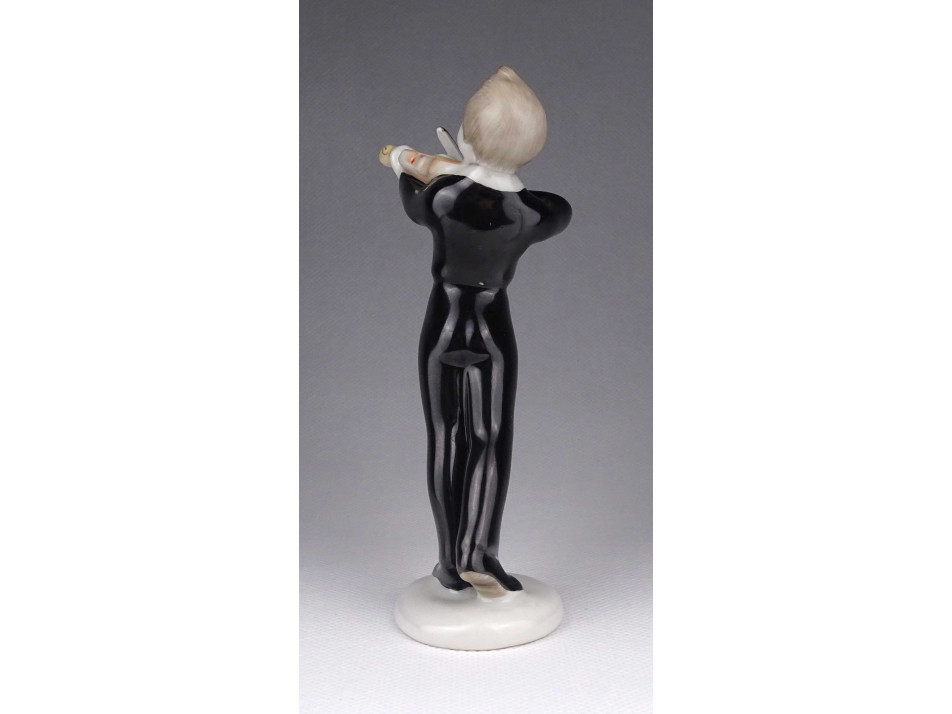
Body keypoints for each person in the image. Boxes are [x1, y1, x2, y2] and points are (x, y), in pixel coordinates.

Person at [381, 67, 571, 598]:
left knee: (446, 437)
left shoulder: (443, 197)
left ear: (466, 137)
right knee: (489, 438)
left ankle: (449, 561)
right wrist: (496, 177)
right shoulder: (532, 214)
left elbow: (411, 191)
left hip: (443, 326)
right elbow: (560, 210)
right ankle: (479, 551)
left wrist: (419, 167)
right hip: (492, 331)